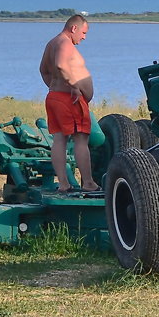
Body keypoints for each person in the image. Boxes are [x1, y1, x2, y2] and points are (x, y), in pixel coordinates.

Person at [39, 14, 99, 192]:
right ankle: (88, 182)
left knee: (59, 139)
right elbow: (60, 65)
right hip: (69, 100)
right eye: (83, 32)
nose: (84, 37)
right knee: (81, 139)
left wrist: (54, 87)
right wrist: (73, 86)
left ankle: (64, 184)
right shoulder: (65, 43)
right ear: (74, 28)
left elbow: (43, 70)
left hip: (55, 97)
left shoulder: (52, 43)